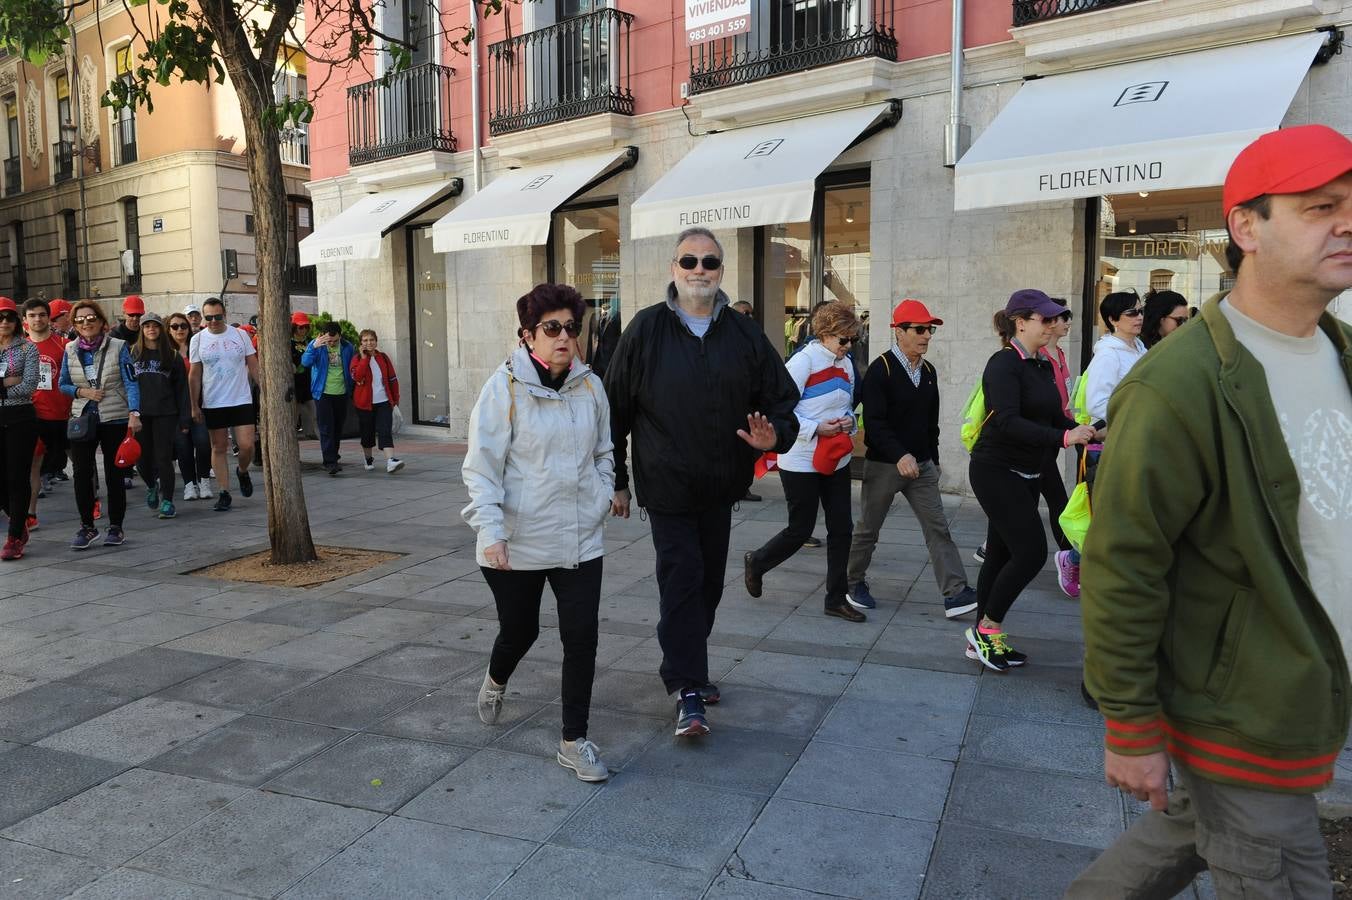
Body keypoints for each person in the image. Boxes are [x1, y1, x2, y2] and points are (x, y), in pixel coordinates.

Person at [1067, 124, 1352, 898]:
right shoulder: (1175, 386)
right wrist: (1128, 723)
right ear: (1245, 227)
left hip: (1304, 695)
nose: (1348, 221)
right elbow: (1124, 560)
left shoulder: (1342, 351)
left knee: (1184, 831)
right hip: (1241, 714)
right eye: (1321, 205)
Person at [605, 227, 799, 738]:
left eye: (709, 263)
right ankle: (687, 687)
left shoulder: (742, 333)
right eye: (688, 261)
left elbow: (784, 398)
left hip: (720, 487)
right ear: (673, 269)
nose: (698, 270)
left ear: (720, 272)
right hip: (665, 487)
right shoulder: (645, 330)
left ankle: (690, 661)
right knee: (682, 579)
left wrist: (773, 437)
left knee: (709, 585)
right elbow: (613, 411)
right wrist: (617, 481)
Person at [462, 284, 614, 783]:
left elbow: (604, 451)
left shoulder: (591, 387)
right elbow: (482, 468)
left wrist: (603, 490)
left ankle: (574, 741)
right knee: (520, 629)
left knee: (582, 638)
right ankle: (496, 678)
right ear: (528, 336)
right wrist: (492, 530)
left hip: (578, 537)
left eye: (572, 327)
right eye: (552, 328)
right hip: (517, 538)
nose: (565, 337)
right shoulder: (502, 389)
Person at [966, 290, 1096, 672]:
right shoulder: (1003, 364)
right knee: (1030, 553)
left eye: (1054, 319)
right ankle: (987, 630)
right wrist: (1063, 439)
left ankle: (981, 638)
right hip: (995, 470)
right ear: (1020, 322)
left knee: (1002, 553)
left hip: (1028, 471)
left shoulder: (1040, 365)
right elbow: (1006, 420)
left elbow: (1053, 416)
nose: (1053, 325)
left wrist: (1082, 430)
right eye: (1046, 319)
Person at [845, 298, 977, 618]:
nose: (926, 335)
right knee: (868, 530)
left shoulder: (929, 371)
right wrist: (899, 454)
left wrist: (931, 458)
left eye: (929, 329)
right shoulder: (881, 370)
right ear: (899, 332)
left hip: (921, 466)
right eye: (919, 329)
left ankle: (956, 592)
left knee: (938, 528)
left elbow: (930, 423)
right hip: (884, 465)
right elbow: (873, 424)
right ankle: (851, 582)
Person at [744, 302, 865, 623]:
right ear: (824, 335)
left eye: (853, 339)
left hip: (835, 458)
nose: (848, 346)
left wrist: (848, 423)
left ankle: (836, 598)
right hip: (800, 459)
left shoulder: (847, 363)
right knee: (801, 529)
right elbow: (779, 410)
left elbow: (847, 404)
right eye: (843, 340)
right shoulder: (803, 362)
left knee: (842, 529)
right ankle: (758, 562)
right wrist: (816, 428)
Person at [1054, 291, 1147, 599]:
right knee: (1105, 516)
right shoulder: (1109, 354)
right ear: (1112, 320)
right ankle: (1072, 559)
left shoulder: (1138, 347)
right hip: (1112, 444)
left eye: (1140, 311)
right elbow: (1097, 404)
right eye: (1131, 313)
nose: (1139, 317)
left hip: (1135, 440)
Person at [59, 300, 141, 549]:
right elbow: (62, 383)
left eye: (91, 318)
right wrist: (82, 391)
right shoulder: (70, 350)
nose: (86, 323)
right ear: (74, 324)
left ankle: (116, 526)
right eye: (80, 320)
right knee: (82, 474)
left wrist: (134, 412)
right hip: (83, 417)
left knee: (114, 473)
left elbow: (131, 381)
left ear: (101, 321)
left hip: (114, 416)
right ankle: (87, 526)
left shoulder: (118, 346)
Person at [188, 298, 257, 512]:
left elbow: (254, 365)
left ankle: (243, 471)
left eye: (218, 317)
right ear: (203, 317)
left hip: (241, 399)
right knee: (218, 447)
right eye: (208, 318)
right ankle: (224, 491)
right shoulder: (198, 340)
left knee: (247, 446)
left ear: (224, 314)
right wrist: (194, 405)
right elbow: (194, 375)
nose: (213, 321)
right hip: (214, 401)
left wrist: (265, 390)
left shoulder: (240, 335)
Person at [130, 313, 189, 519]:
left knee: (164, 458)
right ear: (142, 330)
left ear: (161, 330)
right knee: (141, 459)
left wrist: (184, 418)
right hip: (140, 414)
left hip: (166, 413)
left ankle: (168, 500)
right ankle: (151, 486)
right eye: (147, 326)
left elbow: (182, 390)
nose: (151, 330)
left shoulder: (172, 356)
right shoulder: (132, 353)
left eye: (155, 326)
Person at [23, 299, 71, 532]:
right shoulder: (20, 349)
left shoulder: (64, 344)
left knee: (82, 462)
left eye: (42, 315)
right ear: (25, 320)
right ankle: (31, 514)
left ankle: (91, 500)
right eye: (32, 315)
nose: (38, 319)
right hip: (34, 416)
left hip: (65, 414)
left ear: (48, 318)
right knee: (34, 465)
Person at [0, 298, 39, 559]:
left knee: (17, 476)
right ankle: (17, 518)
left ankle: (15, 535)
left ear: (17, 322)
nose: (4, 322)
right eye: (0, 318)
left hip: (20, 417)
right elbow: (17, 382)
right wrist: (7, 382)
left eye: (9, 318)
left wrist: (2, 387)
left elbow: (29, 385)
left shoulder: (27, 349)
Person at [1038, 305, 1075, 561]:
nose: (1068, 323)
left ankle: (991, 546)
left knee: (1029, 496)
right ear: (1050, 322)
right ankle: (1068, 555)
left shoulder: (1060, 353)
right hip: (1042, 434)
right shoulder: (1038, 356)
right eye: (1064, 318)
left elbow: (1067, 393)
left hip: (1058, 430)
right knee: (1056, 497)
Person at [167, 312, 213, 501]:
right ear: (168, 330)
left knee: (203, 443)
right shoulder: (166, 353)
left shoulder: (198, 347)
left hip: (199, 403)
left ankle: (203, 480)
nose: (180, 330)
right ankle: (189, 485)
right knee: (183, 447)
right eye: (175, 326)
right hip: (176, 408)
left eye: (183, 326)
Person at [300, 322, 354, 476]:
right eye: (328, 341)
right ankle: (330, 462)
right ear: (322, 336)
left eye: (335, 341)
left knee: (337, 427)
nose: (331, 344)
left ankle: (333, 456)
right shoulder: (316, 345)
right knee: (326, 428)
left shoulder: (347, 347)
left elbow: (351, 366)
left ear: (340, 336)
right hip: (322, 393)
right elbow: (305, 363)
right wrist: (313, 347)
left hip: (342, 392)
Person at [350, 329, 404, 474]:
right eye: (365, 340)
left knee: (385, 430)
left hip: (384, 402)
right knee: (367, 433)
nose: (369, 343)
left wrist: (395, 400)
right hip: (364, 404)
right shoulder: (356, 359)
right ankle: (368, 458)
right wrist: (364, 358)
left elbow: (392, 379)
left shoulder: (383, 357)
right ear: (361, 343)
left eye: (371, 340)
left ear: (376, 341)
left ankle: (391, 461)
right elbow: (357, 377)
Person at [290, 312, 318, 439]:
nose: (304, 330)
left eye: (306, 326)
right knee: (294, 416)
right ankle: (291, 439)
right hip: (294, 382)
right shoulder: (288, 343)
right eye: (301, 327)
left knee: (315, 413)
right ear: (294, 327)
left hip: (309, 382)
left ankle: (316, 435)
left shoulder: (310, 342)